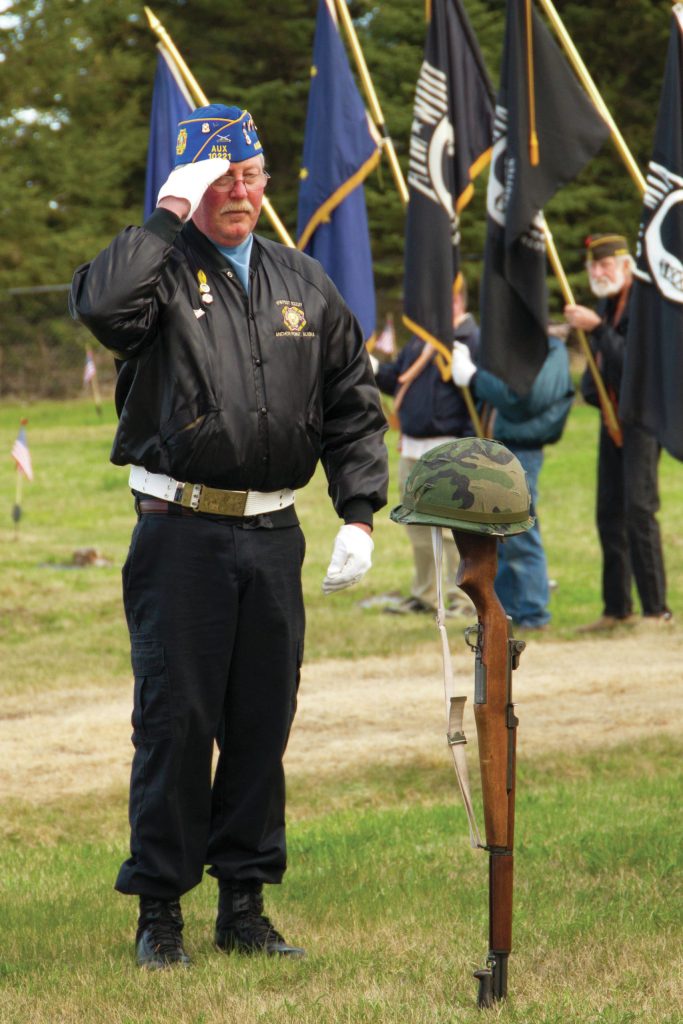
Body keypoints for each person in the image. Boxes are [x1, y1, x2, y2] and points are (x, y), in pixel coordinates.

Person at [69, 105, 388, 969]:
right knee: (176, 722)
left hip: (272, 533)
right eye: (218, 180)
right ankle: (160, 912)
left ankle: (243, 904)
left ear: (265, 181)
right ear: (188, 188)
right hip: (182, 535)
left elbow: (353, 405)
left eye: (248, 175)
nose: (238, 192)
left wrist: (358, 511)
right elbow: (100, 310)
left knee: (261, 722)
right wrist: (162, 223)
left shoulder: (302, 283)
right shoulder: (157, 274)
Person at [564, 233, 671, 631]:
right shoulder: (607, 305)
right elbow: (599, 368)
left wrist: (596, 329)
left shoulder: (644, 306)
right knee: (608, 511)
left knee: (640, 510)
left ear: (626, 266)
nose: (598, 272)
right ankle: (617, 608)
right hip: (612, 419)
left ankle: (657, 610)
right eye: (593, 266)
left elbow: (636, 363)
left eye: (606, 265)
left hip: (643, 418)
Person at [451, 333, 574, 629]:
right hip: (499, 447)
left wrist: (476, 377)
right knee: (499, 535)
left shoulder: (551, 351)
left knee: (521, 532)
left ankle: (532, 612)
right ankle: (504, 610)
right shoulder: (513, 346)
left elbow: (522, 400)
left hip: (522, 450)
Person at [371, 283, 479, 615]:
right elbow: (398, 378)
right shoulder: (423, 338)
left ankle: (461, 598)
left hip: (450, 446)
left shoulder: (471, 340)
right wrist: (372, 367)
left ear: (456, 300)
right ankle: (426, 595)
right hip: (413, 448)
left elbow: (481, 397)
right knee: (418, 527)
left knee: (451, 532)